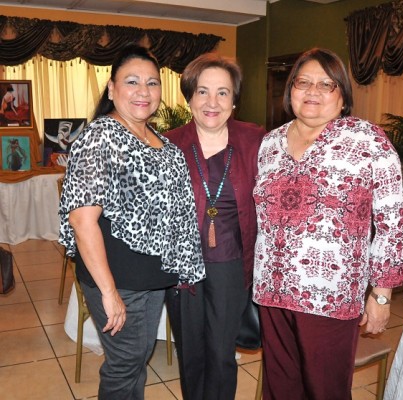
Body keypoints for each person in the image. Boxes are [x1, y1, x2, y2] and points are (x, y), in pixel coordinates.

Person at [253, 47, 403, 400]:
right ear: (290, 91)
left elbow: (393, 222)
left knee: (325, 389)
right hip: (272, 290)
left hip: (330, 296)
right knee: (280, 387)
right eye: (303, 82)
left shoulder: (368, 140)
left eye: (326, 85)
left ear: (342, 97)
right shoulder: (269, 144)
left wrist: (382, 295)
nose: (312, 92)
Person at [58, 44, 205, 400]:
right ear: (112, 89)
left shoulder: (161, 142)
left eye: (152, 83)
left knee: (137, 358)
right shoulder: (101, 136)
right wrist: (108, 293)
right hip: (118, 279)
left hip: (151, 277)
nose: (144, 91)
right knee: (125, 364)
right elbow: (82, 219)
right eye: (132, 81)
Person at [164, 53, 266, 400]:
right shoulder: (167, 144)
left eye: (223, 93)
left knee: (222, 354)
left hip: (232, 264)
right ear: (189, 96)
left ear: (234, 100)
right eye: (203, 91)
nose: (212, 102)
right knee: (190, 352)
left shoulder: (256, 141)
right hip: (183, 267)